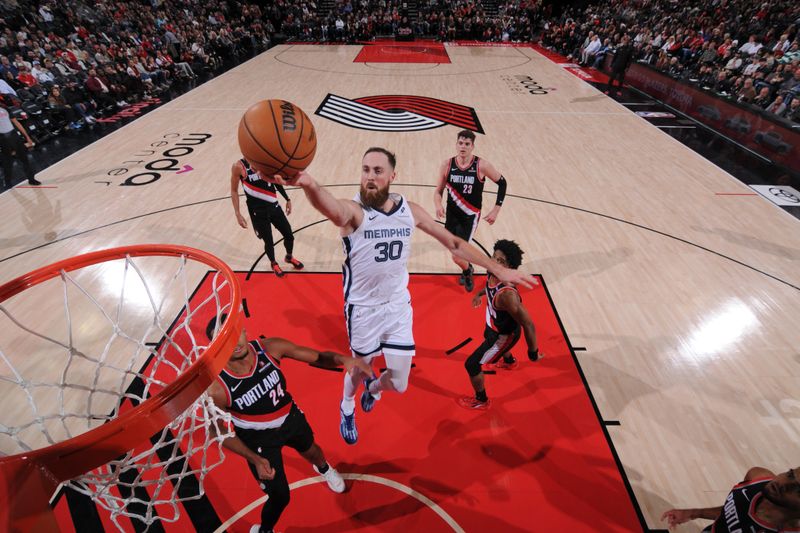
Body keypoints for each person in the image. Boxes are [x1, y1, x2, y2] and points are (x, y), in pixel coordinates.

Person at [269, 147, 534, 445]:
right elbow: (332, 208)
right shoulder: (354, 213)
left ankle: (375, 390)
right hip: (363, 310)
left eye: (378, 171)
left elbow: (455, 243)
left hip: (396, 307)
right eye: (366, 169)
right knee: (360, 368)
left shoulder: (409, 211)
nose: (370, 177)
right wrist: (309, 183)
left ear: (393, 176)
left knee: (399, 383)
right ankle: (346, 406)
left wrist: (499, 270)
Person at [206, 315, 373, 533]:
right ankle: (265, 529)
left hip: (290, 418)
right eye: (223, 340)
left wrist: (344, 360)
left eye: (236, 334)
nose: (234, 344)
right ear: (215, 347)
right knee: (280, 496)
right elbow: (216, 430)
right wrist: (254, 458)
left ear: (245, 331)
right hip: (258, 441)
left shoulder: (270, 348)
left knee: (312, 450)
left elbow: (318, 357)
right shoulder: (217, 387)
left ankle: (324, 469)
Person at [459, 239, 542, 410]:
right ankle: (509, 361)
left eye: (499, 260)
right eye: (494, 257)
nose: (494, 261)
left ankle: (481, 400)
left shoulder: (507, 296)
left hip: (504, 335)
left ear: (508, 267)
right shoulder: (492, 272)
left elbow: (528, 324)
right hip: (494, 323)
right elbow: (489, 288)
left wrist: (533, 353)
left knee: (471, 364)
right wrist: (479, 294)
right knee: (487, 336)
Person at [433, 130, 508, 292]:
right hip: (452, 216)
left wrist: (496, 210)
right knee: (456, 253)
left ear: (472, 147)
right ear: (456, 144)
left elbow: (503, 183)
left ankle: (467, 272)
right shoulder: (447, 165)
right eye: (460, 143)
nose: (463, 147)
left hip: (470, 216)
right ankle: (468, 268)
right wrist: (438, 204)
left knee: (456, 255)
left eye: (467, 144)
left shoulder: (482, 165)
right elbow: (438, 191)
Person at [661, 465, 800, 532]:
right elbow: (735, 510)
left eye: (798, 490)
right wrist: (693, 513)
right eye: (790, 474)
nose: (783, 484)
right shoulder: (757, 477)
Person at [230, 158, 304, 277]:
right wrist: (237, 213)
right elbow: (234, 191)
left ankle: (289, 257)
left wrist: (287, 199)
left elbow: (275, 182)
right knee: (268, 241)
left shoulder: (264, 159)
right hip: (258, 212)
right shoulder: (239, 166)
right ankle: (273, 263)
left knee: (289, 235)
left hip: (274, 207)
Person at [0, 103, 39, 187]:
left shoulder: (4, 107)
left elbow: (16, 122)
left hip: (14, 135)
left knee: (24, 159)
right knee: (8, 162)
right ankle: (7, 181)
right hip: (2, 138)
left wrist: (27, 137)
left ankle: (31, 179)